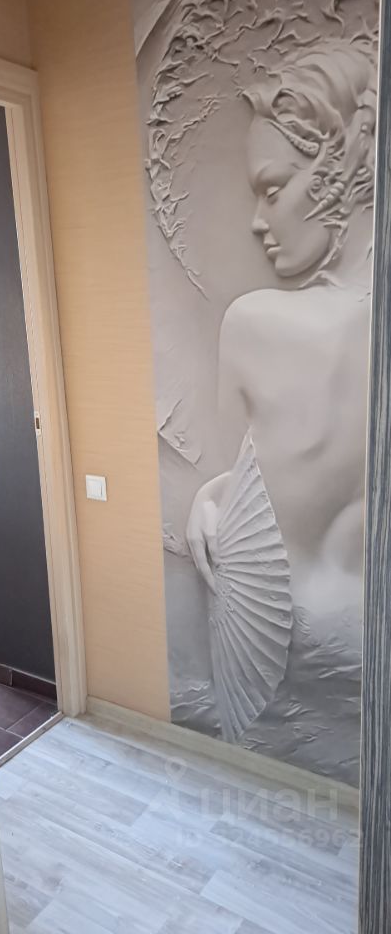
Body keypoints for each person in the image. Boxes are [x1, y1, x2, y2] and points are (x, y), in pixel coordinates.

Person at [186, 39, 376, 783]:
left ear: (336, 170)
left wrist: (208, 498)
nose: (257, 221)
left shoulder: (255, 324)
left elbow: (249, 486)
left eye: (271, 189)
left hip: (287, 654)